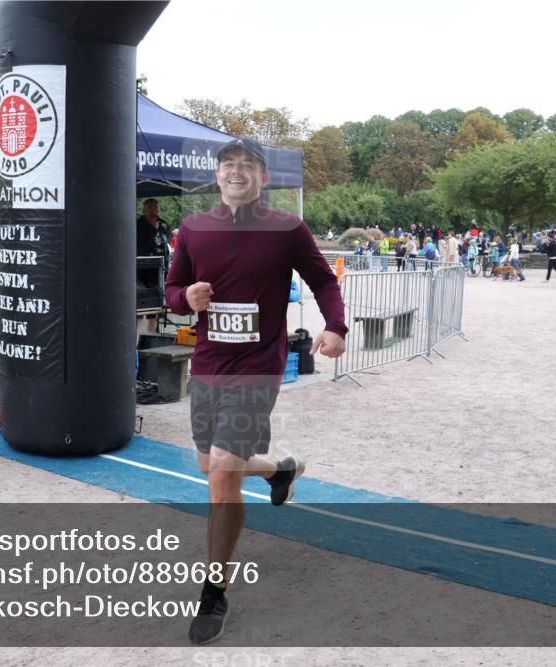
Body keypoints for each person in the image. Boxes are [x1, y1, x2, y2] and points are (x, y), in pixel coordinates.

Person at [164, 138, 347, 645]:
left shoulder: (287, 228)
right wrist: (186, 297)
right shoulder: (192, 229)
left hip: (259, 366)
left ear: (264, 179)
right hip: (208, 365)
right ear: (217, 175)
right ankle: (279, 470)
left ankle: (214, 591)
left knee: (222, 472)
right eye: (228, 164)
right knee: (211, 466)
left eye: (248, 165)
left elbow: (323, 281)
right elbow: (171, 291)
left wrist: (336, 327)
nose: (237, 171)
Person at [136, 197, 172, 269]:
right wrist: (153, 229)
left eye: (156, 207)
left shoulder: (162, 227)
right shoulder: (138, 226)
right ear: (143, 211)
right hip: (145, 271)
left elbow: (165, 248)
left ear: (159, 210)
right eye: (150, 207)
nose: (153, 210)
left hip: (162, 270)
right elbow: (141, 248)